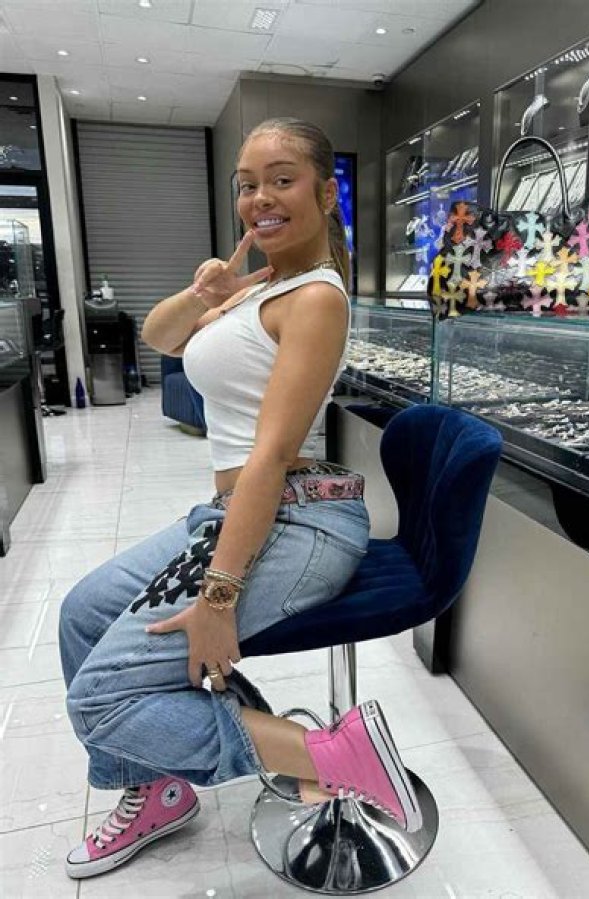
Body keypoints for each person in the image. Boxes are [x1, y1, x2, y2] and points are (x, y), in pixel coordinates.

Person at [59, 118, 422, 880]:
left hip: (297, 519)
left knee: (99, 700)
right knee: (82, 613)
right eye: (247, 184)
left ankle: (336, 755)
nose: (260, 197)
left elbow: (270, 458)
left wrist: (218, 596)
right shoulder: (265, 282)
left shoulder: (314, 298)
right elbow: (163, 336)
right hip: (242, 511)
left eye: (282, 179)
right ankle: (157, 789)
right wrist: (211, 291)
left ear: (325, 193)